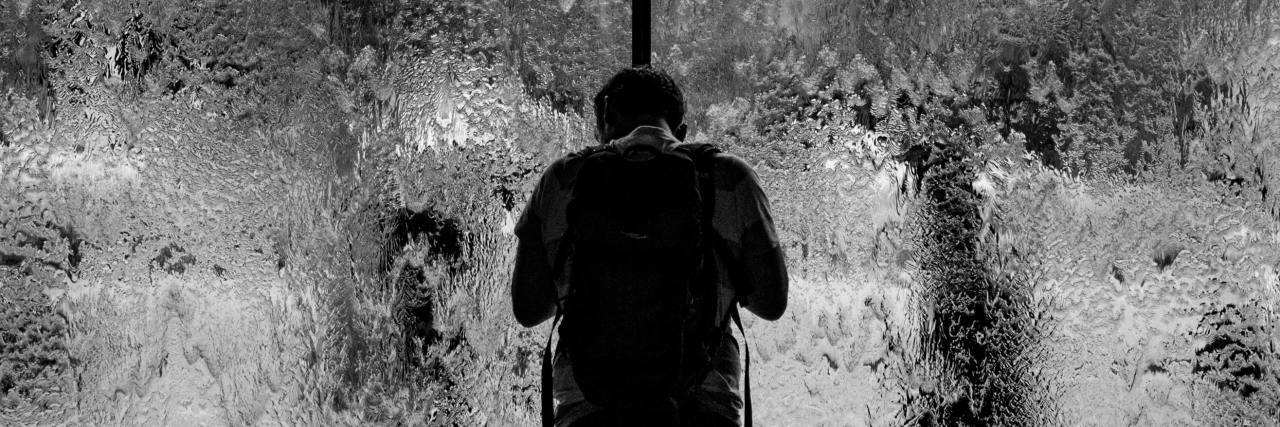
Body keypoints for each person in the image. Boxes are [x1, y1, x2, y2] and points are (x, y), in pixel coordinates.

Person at [511, 66, 788, 427]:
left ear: (607, 120)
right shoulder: (730, 176)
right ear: (681, 132)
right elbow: (772, 302)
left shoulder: (563, 178)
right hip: (702, 411)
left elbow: (528, 308)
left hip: (590, 411)